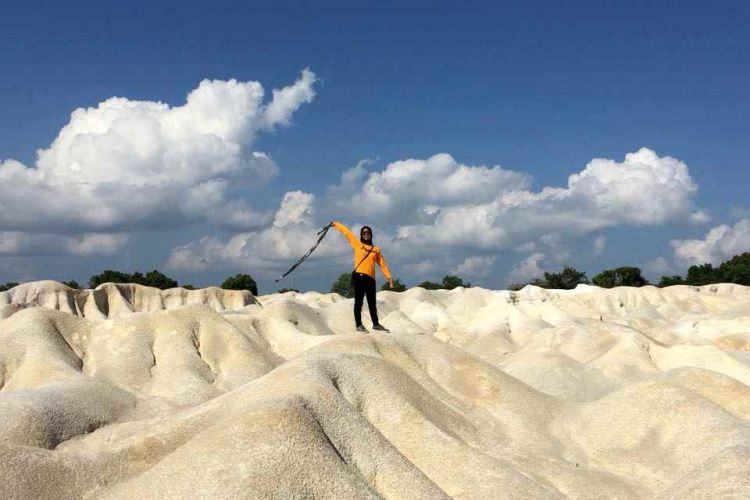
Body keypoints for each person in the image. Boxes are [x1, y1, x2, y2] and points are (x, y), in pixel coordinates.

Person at [331, 221, 394, 333]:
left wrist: (389, 278)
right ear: (361, 235)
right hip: (359, 277)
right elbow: (347, 233)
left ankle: (376, 324)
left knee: (372, 303)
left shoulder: (376, 249)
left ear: (371, 234)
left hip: (371, 279)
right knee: (359, 301)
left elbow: (383, 264)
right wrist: (335, 224)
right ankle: (359, 325)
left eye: (368, 233)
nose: (366, 234)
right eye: (364, 233)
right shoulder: (357, 244)